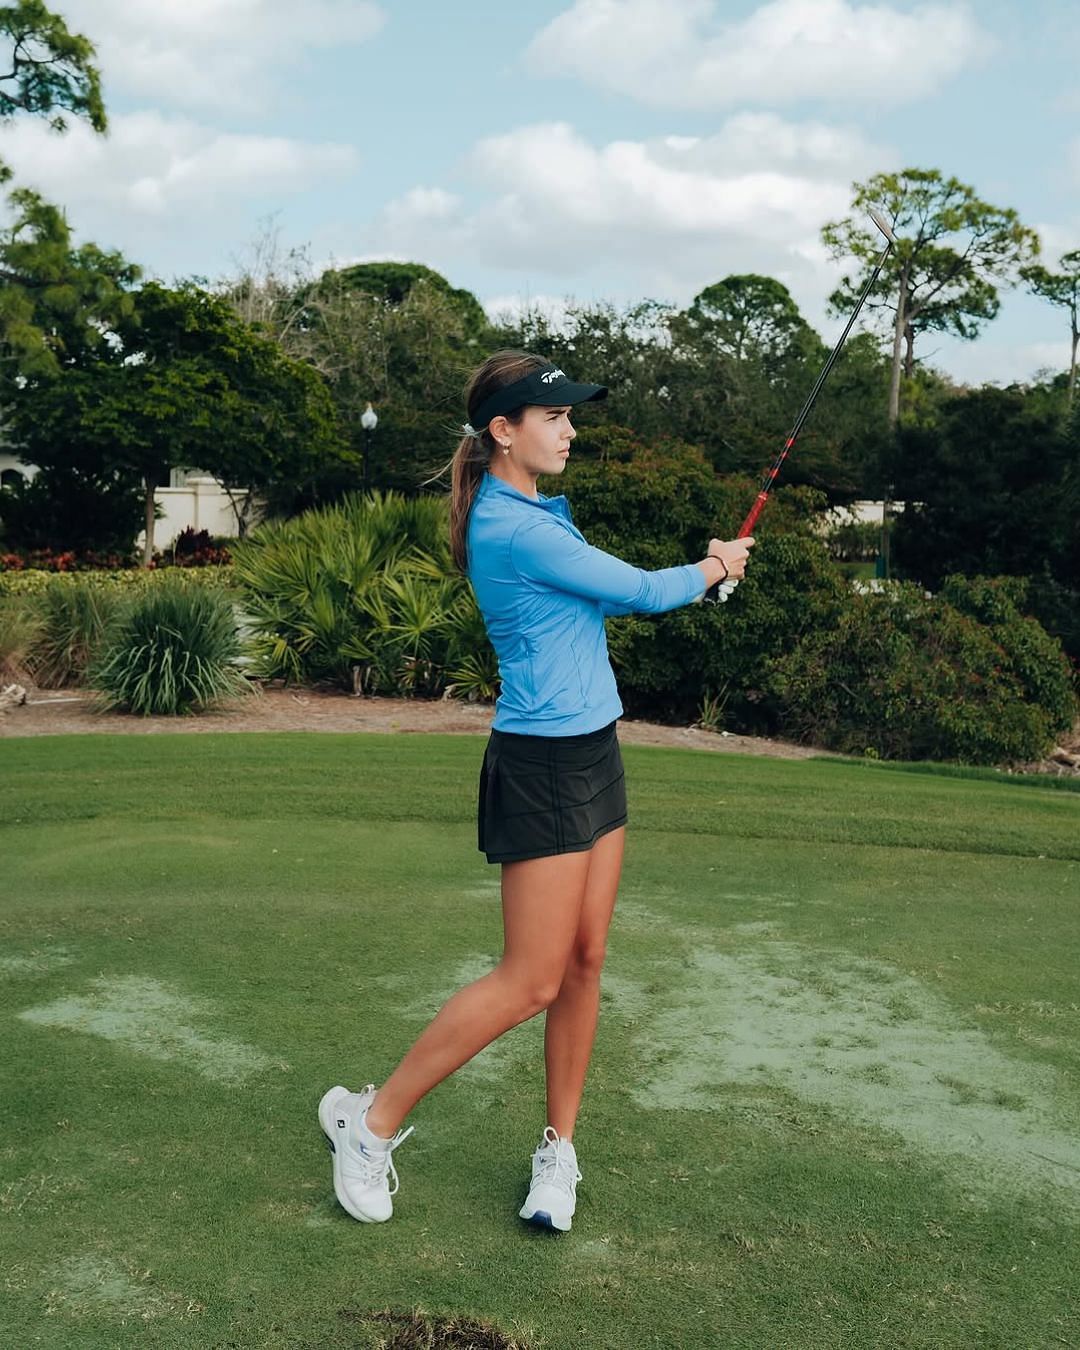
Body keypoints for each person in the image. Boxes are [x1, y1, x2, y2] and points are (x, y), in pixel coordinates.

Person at [319, 350, 754, 1232]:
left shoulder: (535, 511)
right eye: (552, 416)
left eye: (569, 414)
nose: (570, 429)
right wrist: (715, 567)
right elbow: (634, 590)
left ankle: (558, 1153)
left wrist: (708, 577)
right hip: (544, 765)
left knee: (585, 961)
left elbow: (601, 602)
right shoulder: (517, 528)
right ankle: (369, 1126)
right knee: (529, 978)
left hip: (594, 751)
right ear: (503, 431)